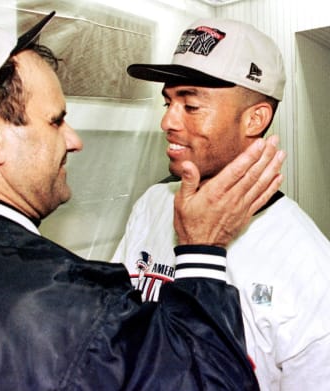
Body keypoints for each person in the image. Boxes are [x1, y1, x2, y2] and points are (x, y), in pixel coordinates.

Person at [0, 12, 284, 390]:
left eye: (191, 105)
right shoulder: (62, 310)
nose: (74, 141)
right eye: (56, 121)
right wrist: (203, 252)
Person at [112, 18, 330, 391]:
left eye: (191, 105)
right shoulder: (153, 203)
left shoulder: (308, 262)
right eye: (168, 102)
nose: (167, 121)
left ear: (255, 119)